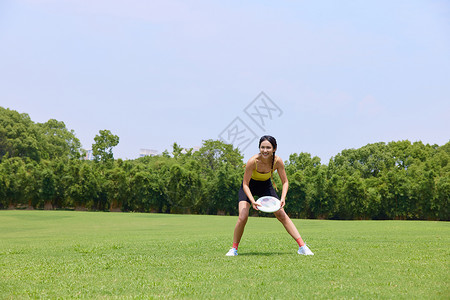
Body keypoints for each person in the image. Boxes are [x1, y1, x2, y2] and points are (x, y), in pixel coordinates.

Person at [225, 135, 314, 256]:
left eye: (268, 147)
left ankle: (302, 247)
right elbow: (245, 184)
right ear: (259, 148)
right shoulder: (253, 161)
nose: (265, 150)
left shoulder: (277, 161)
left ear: (274, 149)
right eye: (262, 147)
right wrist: (252, 200)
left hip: (265, 186)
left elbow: (285, 182)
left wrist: (282, 198)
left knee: (281, 214)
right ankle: (234, 249)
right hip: (249, 186)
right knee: (243, 217)